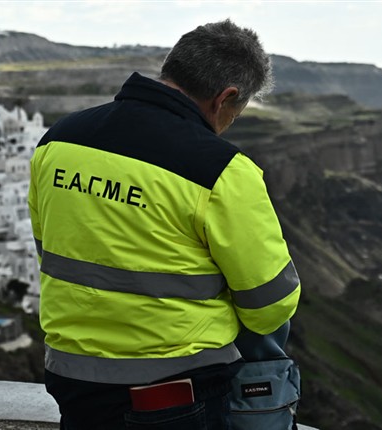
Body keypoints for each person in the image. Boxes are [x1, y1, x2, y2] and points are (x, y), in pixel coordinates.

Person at [28, 19, 300, 429]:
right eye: (237, 110)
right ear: (225, 97)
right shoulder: (221, 170)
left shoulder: (60, 140)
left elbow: (50, 248)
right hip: (174, 395)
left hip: (73, 382)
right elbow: (269, 305)